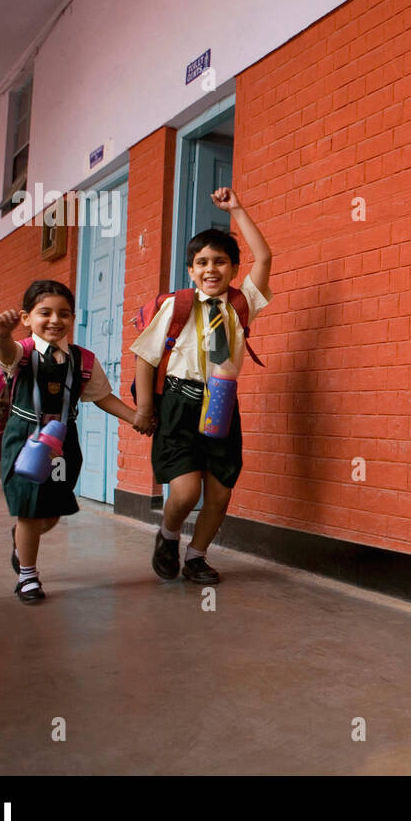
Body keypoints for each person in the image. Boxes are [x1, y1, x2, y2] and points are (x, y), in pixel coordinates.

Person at [130, 186, 272, 585]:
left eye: (221, 262)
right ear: (191, 270)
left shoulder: (242, 303)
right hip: (179, 401)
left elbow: (265, 257)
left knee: (221, 492)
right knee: (187, 490)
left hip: (223, 403)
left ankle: (196, 556)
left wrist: (238, 210)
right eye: (202, 262)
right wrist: (144, 409)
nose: (212, 269)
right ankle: (168, 536)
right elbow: (146, 356)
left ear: (233, 268)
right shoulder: (176, 306)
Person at [0, 279, 145, 604]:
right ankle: (28, 576)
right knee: (30, 510)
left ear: (73, 318)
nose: (54, 320)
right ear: (26, 318)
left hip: (63, 443)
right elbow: (5, 353)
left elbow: (102, 397)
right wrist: (2, 335)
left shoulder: (83, 360)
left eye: (63, 313)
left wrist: (134, 417)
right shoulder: (22, 353)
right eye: (44, 312)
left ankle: (21, 537)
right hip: (24, 438)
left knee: (49, 514)